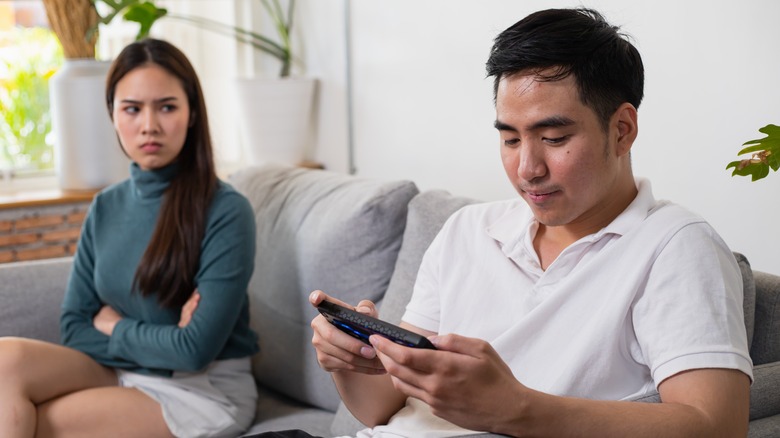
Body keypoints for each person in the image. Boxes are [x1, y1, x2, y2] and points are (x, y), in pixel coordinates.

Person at [305, 8, 753, 438]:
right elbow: (385, 408)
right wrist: (351, 363)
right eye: (510, 139)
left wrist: (516, 408)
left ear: (621, 130)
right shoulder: (467, 230)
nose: (527, 169)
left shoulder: (675, 246)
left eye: (554, 138)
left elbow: (716, 426)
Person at [0, 38, 259, 438]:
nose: (149, 125)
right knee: (5, 359)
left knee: (41, 421)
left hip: (199, 388)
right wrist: (165, 340)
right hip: (124, 367)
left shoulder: (226, 210)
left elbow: (194, 351)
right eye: (132, 109)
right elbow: (74, 326)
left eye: (167, 107)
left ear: (191, 114)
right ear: (113, 113)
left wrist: (114, 326)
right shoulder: (106, 205)